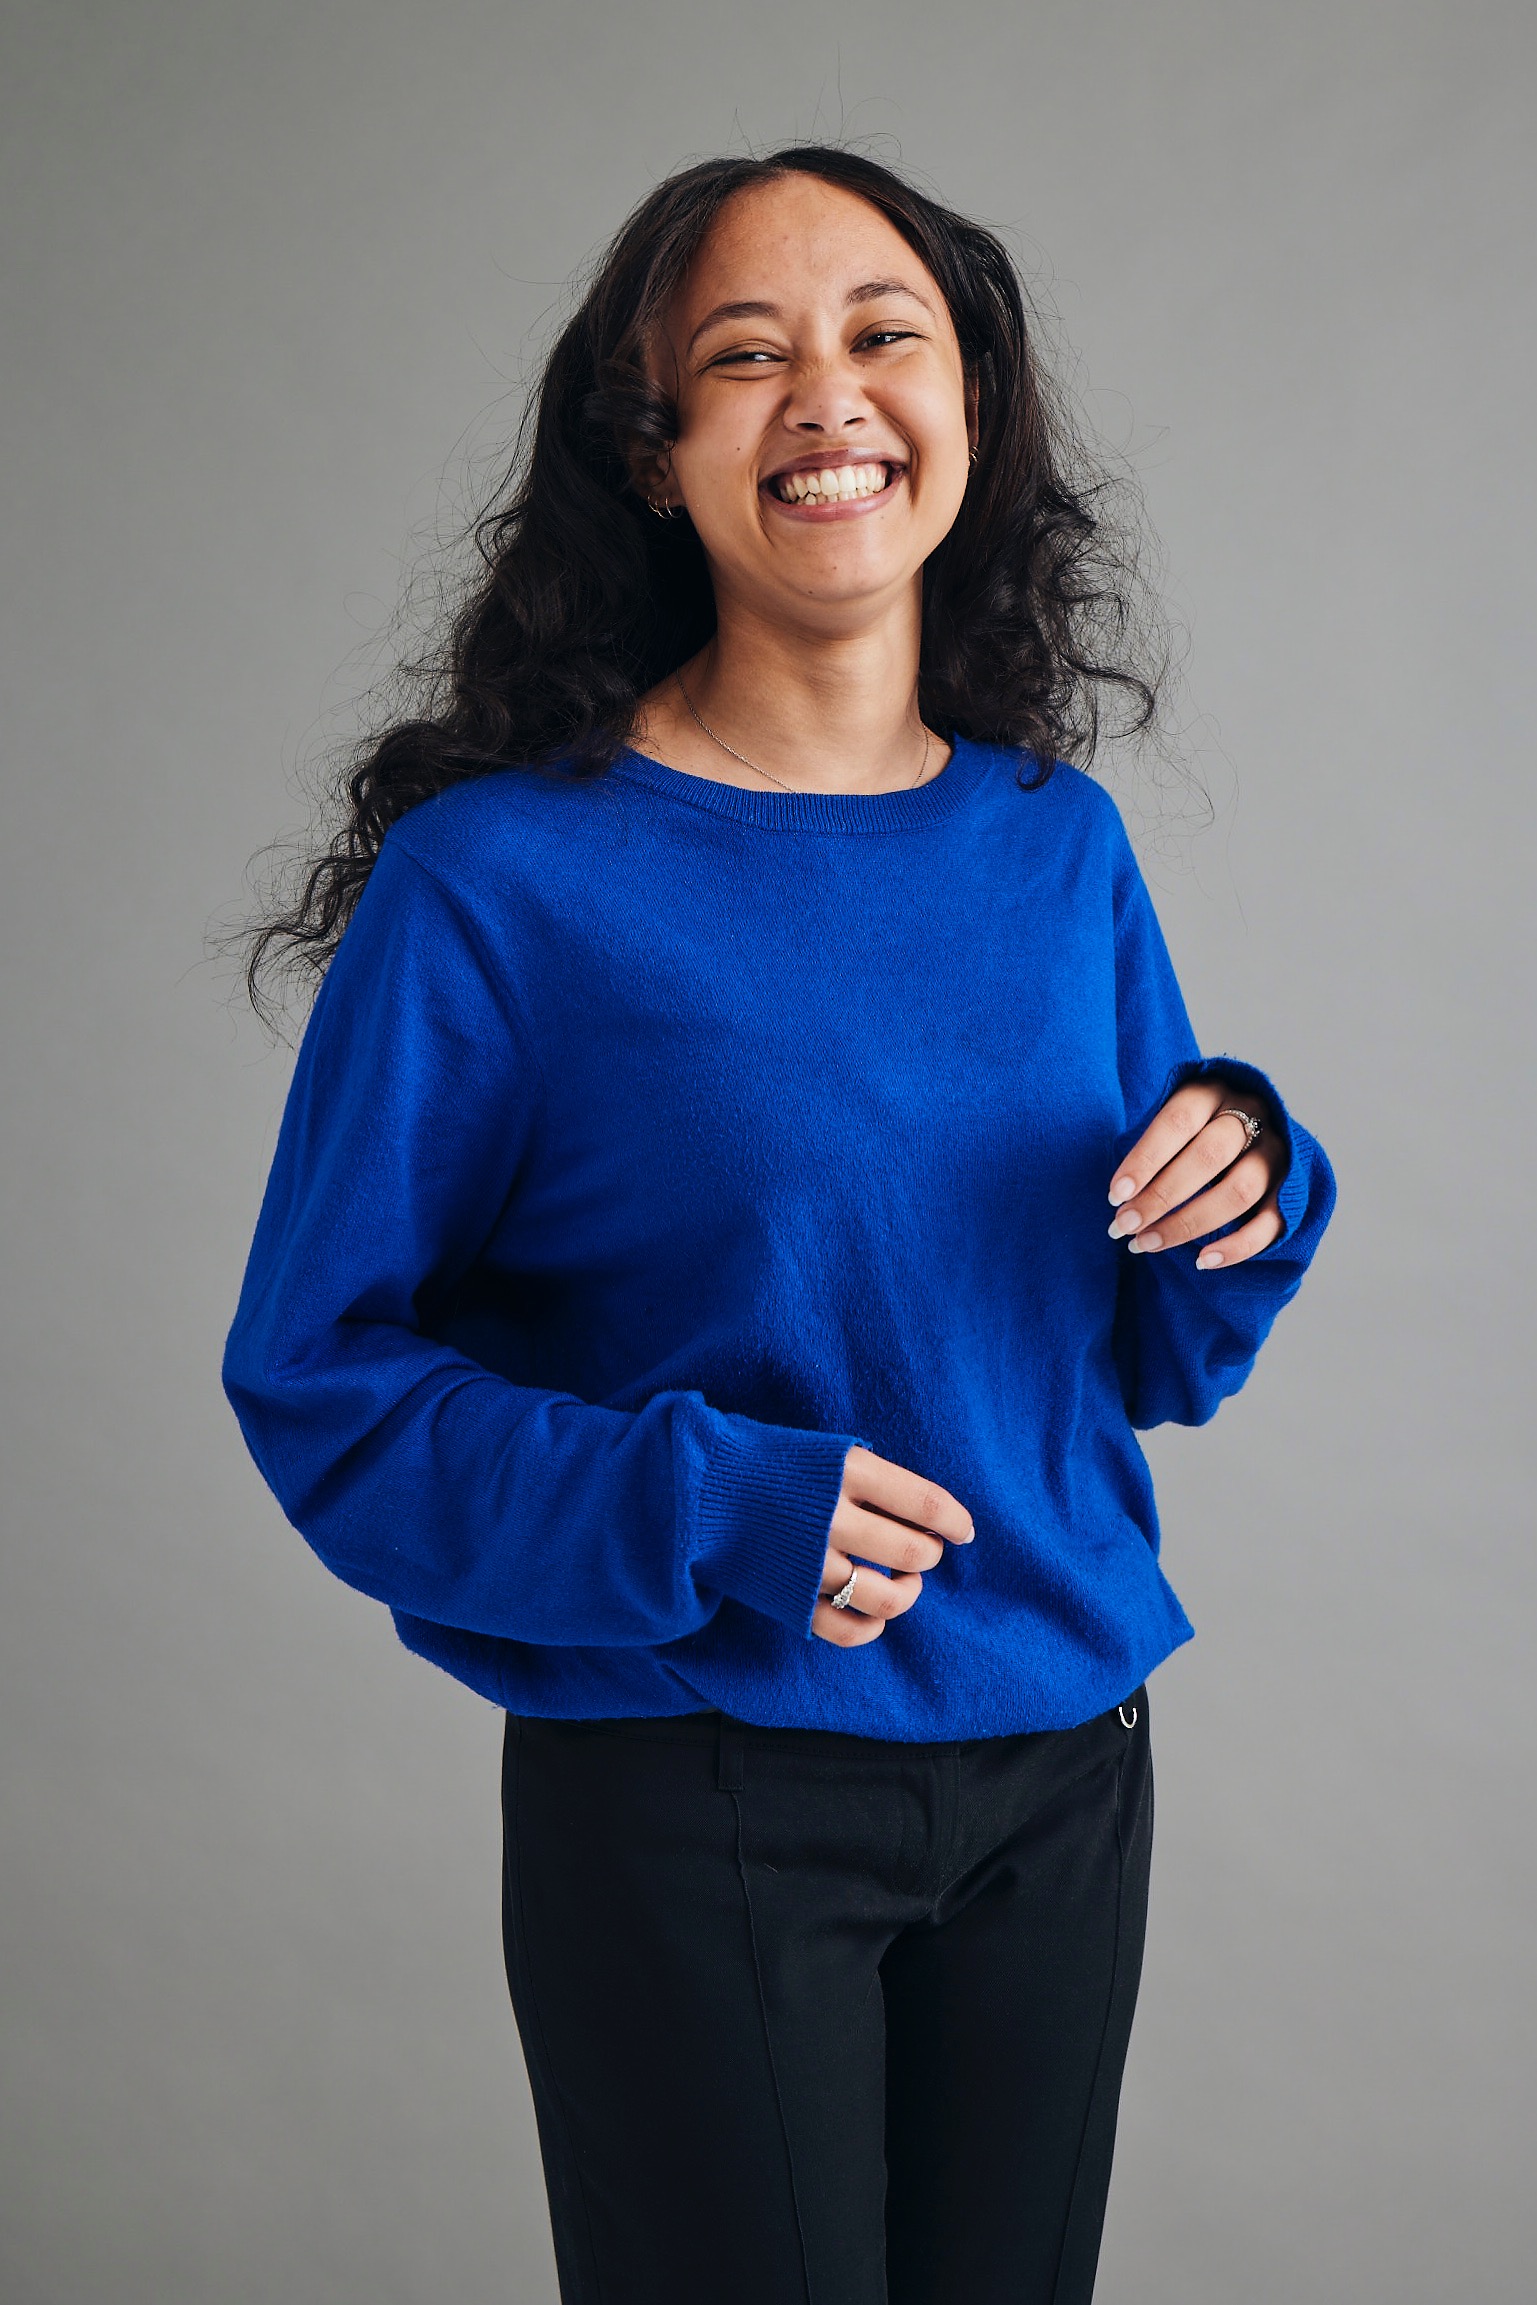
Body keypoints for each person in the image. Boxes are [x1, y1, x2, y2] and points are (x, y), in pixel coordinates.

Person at [224, 145, 1336, 2305]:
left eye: (881, 335)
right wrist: (707, 1502)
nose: (827, 393)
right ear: (654, 454)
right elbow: (321, 1385)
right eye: (746, 357)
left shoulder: (1057, 846)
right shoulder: (496, 886)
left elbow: (1139, 1354)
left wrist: (1247, 1180)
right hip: (698, 1789)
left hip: (1063, 1764)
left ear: (967, 409)